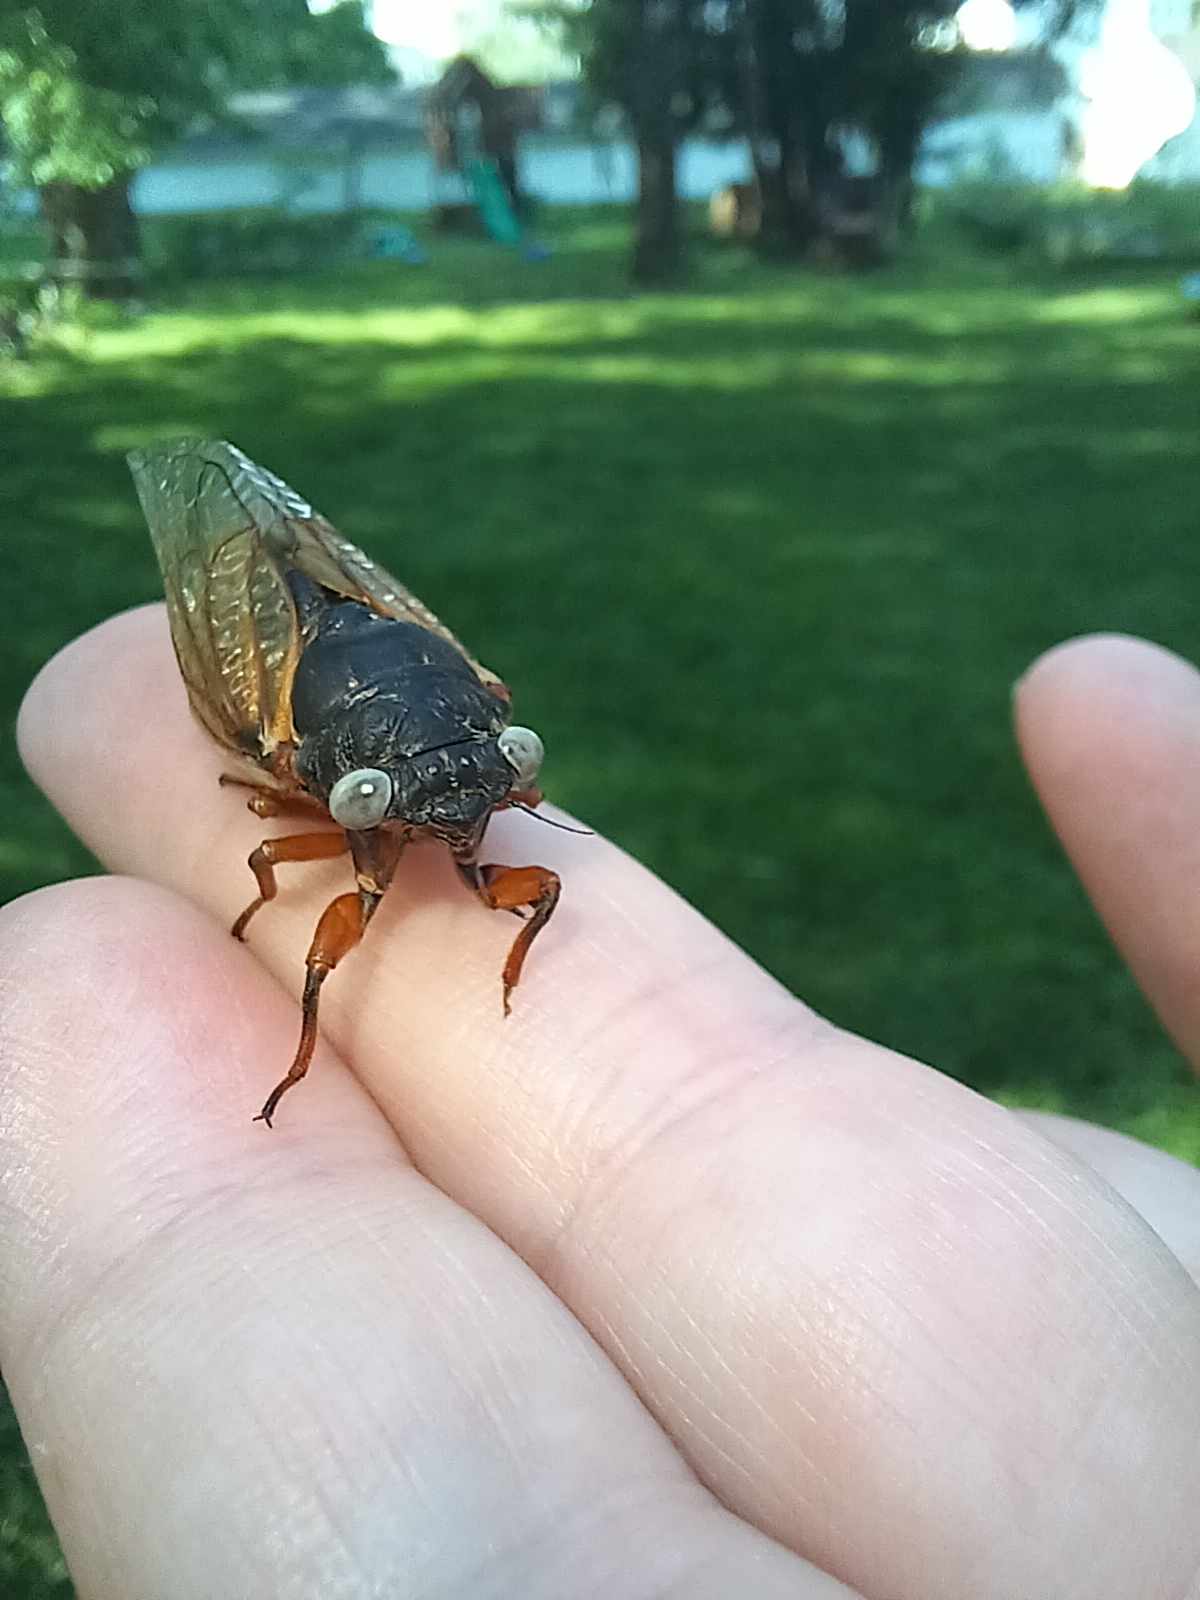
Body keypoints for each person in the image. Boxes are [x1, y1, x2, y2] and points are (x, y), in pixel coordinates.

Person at [2, 609, 1198, 1600]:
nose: (476, 816)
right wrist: (279, 860)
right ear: (347, 794)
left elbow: (518, 871)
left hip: (415, 705)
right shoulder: (324, 796)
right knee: (313, 934)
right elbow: (279, 837)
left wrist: (508, 944)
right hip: (318, 698)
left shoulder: (477, 806)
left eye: (507, 775)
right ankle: (300, 1053)